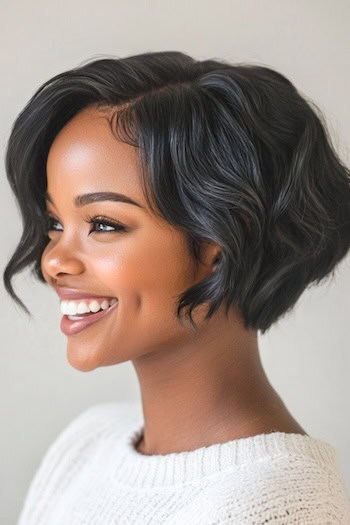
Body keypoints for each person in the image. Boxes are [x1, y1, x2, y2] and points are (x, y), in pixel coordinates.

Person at [3, 51, 350, 524]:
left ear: (219, 242)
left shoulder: (280, 503)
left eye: (102, 224)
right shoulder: (88, 442)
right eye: (54, 223)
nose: (53, 261)